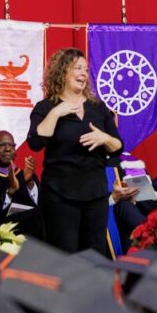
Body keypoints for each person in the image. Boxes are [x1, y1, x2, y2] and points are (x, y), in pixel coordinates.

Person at [27, 47, 122, 254]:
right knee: (63, 255)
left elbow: (117, 147)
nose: (83, 74)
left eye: (86, 70)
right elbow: (35, 142)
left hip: (95, 194)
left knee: (93, 256)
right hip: (59, 195)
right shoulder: (46, 107)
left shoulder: (98, 108)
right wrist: (56, 113)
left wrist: (104, 138)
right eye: (77, 68)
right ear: (62, 72)